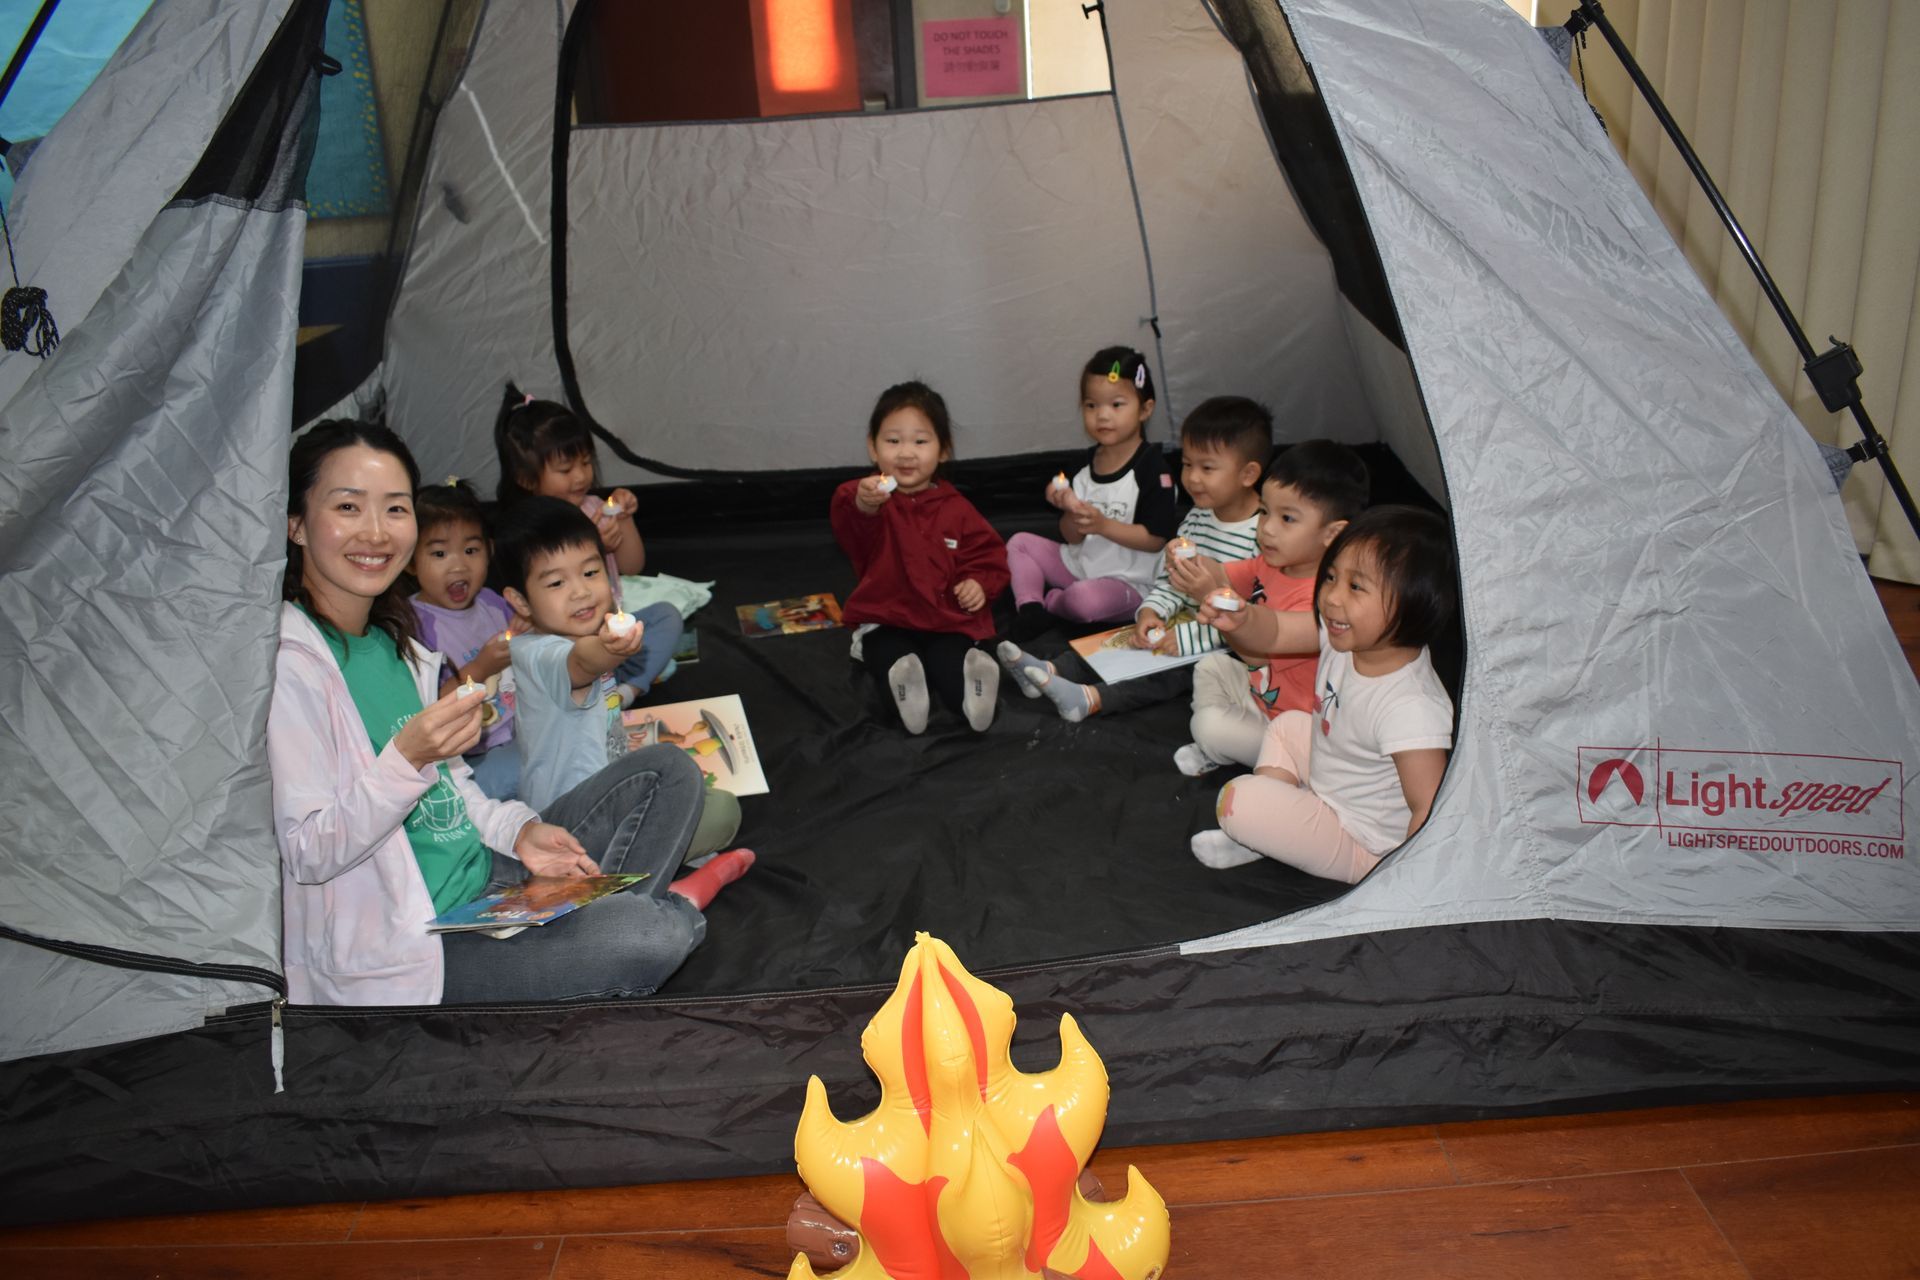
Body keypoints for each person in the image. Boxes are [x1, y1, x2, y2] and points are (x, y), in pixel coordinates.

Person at [270, 420, 740, 1007]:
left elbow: (454, 790)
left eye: (394, 509)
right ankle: (653, 913)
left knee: (669, 770)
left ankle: (615, 917)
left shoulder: (398, 645)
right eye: (347, 506)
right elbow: (309, 853)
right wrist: (408, 758)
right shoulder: (289, 664)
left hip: (490, 871)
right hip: (414, 943)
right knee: (649, 936)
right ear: (295, 523)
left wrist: (519, 832)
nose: (375, 531)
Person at [1187, 505, 1457, 884]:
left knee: (1238, 801)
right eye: (1331, 577)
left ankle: (1269, 829)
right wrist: (1242, 619)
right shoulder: (1343, 637)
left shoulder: (1411, 706)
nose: (1331, 597)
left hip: (1363, 842)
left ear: (1416, 601)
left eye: (1356, 586)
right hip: (1329, 784)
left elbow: (1429, 807)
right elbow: (1276, 631)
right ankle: (1270, 833)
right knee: (1288, 726)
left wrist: (1398, 883)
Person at [492, 495, 747, 863]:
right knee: (721, 812)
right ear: (520, 601)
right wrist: (611, 648)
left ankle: (651, 863)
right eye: (557, 583)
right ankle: (625, 868)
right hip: (574, 827)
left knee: (682, 779)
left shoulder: (575, 633)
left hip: (606, 795)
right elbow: (582, 661)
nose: (580, 591)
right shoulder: (539, 655)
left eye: (590, 573)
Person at [996, 396, 1273, 722]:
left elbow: (1253, 619)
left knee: (1172, 671)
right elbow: (1171, 580)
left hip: (1224, 643)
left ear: (1248, 473)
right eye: (1187, 464)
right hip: (1181, 621)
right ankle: (1050, 670)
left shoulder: (1264, 535)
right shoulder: (1197, 518)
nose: (1192, 478)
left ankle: (1089, 699)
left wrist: (1185, 640)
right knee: (1125, 639)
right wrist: (1152, 611)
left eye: (1207, 468)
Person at [1177, 439, 1369, 775]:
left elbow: (1257, 653)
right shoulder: (1272, 563)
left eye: (1287, 518)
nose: (1266, 528)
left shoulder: (1327, 600)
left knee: (1208, 726)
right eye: (1264, 511)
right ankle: (1230, 747)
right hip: (1264, 696)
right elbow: (1221, 573)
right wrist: (1187, 559)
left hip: (1300, 729)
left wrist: (1212, 597)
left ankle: (1279, 766)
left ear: (1332, 534)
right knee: (1210, 667)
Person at [831, 380, 1011, 734]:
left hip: (945, 619)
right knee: (889, 654)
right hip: (888, 615)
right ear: (872, 447)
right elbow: (851, 522)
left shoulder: (957, 508)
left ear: (943, 450)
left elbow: (988, 555)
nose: (906, 453)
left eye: (920, 441)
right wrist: (863, 502)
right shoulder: (873, 499)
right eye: (893, 441)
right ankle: (906, 696)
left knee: (951, 657)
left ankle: (972, 692)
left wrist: (978, 583)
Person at [494, 382, 682, 705]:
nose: (581, 476)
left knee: (667, 616)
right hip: (565, 647)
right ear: (525, 478)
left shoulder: (595, 508)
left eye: (585, 462)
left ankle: (626, 690)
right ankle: (608, 682)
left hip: (605, 622)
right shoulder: (526, 535)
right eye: (565, 469)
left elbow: (633, 566)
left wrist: (623, 520)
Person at [1004, 347, 1180, 637]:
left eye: (1116, 404)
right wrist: (1069, 510)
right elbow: (1071, 537)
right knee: (1020, 543)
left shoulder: (1153, 470)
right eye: (1091, 405)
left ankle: (1054, 602)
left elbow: (1155, 540)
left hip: (1128, 582)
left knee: (1084, 600)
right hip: (1081, 565)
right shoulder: (1083, 465)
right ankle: (1031, 607)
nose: (1102, 415)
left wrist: (1103, 525)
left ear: (1145, 409)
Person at [406, 478, 523, 799]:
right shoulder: (416, 624)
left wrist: (528, 627)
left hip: (518, 730)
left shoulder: (492, 602)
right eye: (439, 553)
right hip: (468, 760)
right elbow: (430, 705)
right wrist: (481, 666)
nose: (458, 565)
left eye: (471, 550)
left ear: (489, 550)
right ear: (411, 561)